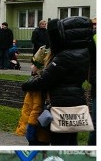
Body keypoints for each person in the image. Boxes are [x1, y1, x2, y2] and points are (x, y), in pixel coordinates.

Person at [21, 16, 94, 146]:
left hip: (61, 104)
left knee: (60, 143)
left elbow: (45, 80)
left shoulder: (64, 56)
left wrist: (26, 85)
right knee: (71, 141)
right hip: (76, 102)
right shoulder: (84, 52)